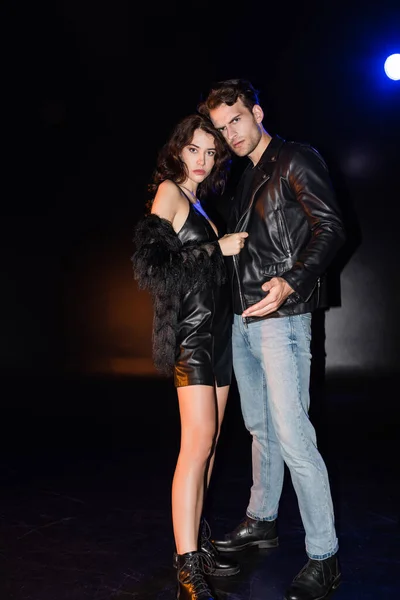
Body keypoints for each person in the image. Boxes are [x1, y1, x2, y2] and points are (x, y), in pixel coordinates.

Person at [198, 79, 346, 600]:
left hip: (282, 318)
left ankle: (324, 555)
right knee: (260, 426)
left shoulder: (294, 158)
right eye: (220, 128)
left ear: (256, 111)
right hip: (244, 320)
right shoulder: (245, 174)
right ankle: (262, 519)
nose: (229, 133)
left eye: (235, 119)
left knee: (293, 433)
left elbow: (330, 227)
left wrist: (293, 282)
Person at [131, 113, 248, 600]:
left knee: (212, 445)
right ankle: (186, 570)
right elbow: (151, 267)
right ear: (178, 149)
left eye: (210, 152)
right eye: (194, 149)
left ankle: (197, 545)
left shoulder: (198, 202)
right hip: (193, 338)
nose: (202, 160)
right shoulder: (170, 194)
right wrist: (215, 250)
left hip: (218, 336)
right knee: (195, 448)